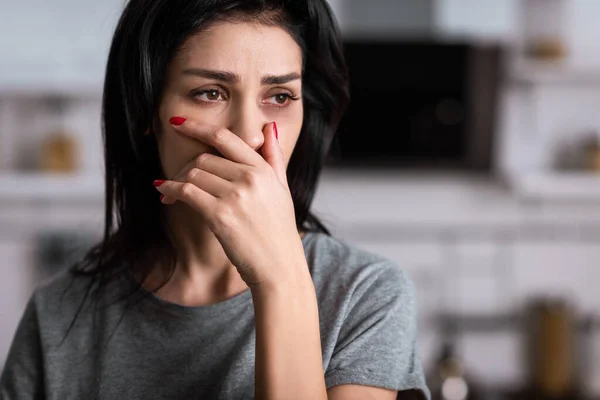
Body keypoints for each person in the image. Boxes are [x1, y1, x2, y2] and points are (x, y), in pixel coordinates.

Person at [0, 0, 429, 399]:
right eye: (210, 93)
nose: (248, 135)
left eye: (279, 96)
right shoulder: (57, 314)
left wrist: (280, 279)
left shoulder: (365, 295)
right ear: (147, 111)